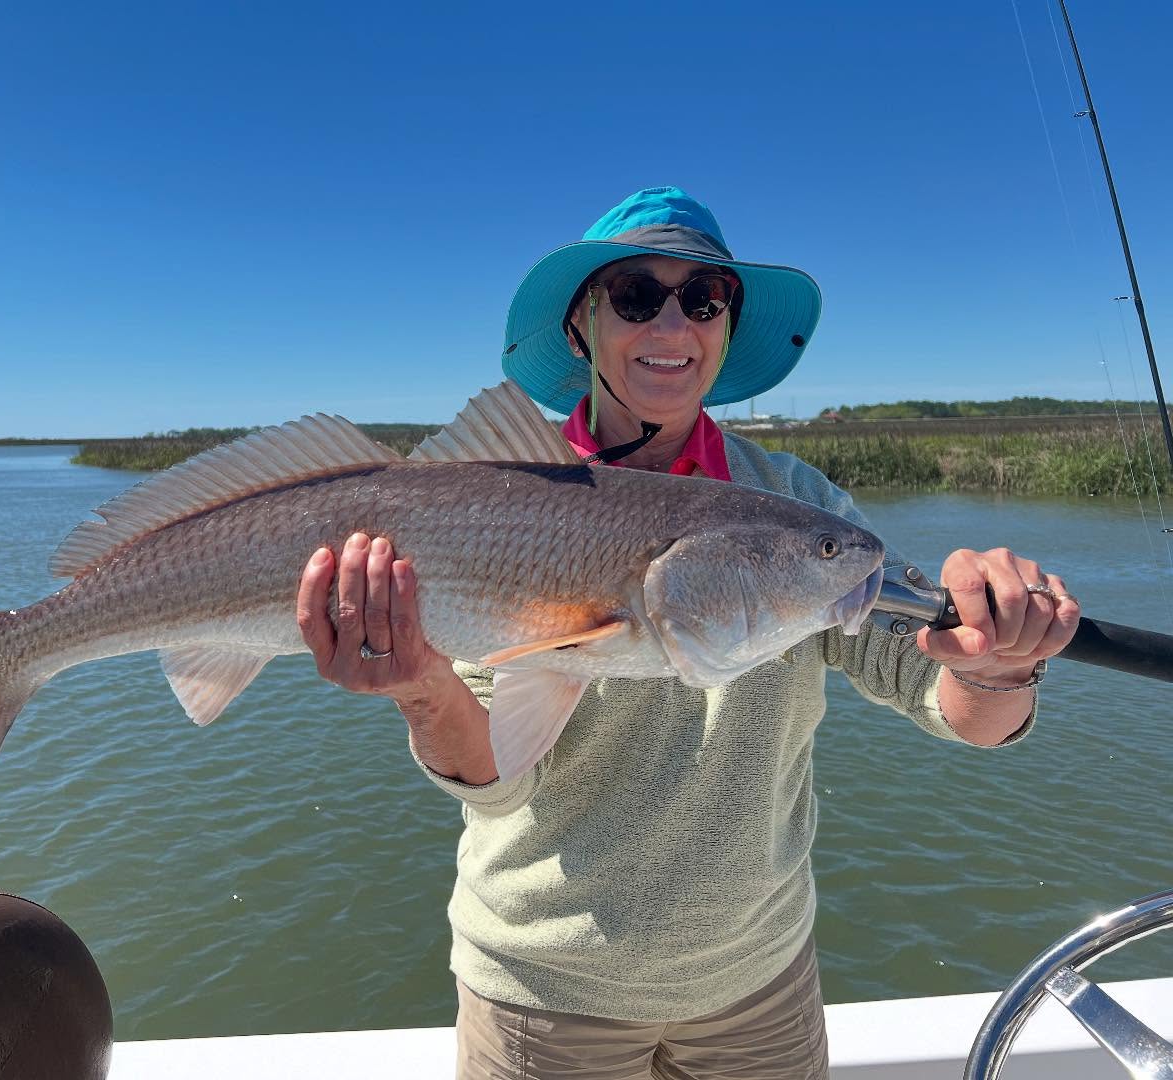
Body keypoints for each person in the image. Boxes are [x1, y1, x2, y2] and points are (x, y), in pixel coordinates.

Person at [294, 187, 1080, 1079]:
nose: (672, 321)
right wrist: (421, 686)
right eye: (635, 294)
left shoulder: (800, 510)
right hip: (545, 1000)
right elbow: (498, 784)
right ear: (582, 327)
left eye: (703, 299)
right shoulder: (497, 498)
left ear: (725, 329)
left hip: (759, 988)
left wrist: (1001, 668)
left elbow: (947, 701)